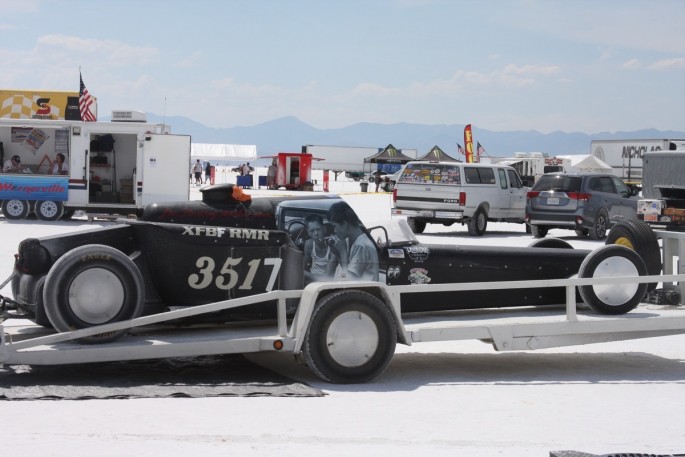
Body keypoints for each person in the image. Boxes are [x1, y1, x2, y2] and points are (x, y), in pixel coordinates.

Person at [327, 201, 379, 281]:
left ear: (344, 224)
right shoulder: (348, 241)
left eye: (335, 226)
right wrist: (337, 253)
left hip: (359, 292)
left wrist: (342, 252)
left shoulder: (361, 246)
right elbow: (344, 271)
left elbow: (348, 280)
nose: (335, 230)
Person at [303, 214, 338, 284]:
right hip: (311, 281)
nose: (316, 233)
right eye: (312, 231)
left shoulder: (332, 245)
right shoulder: (309, 244)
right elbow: (304, 266)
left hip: (327, 283)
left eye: (318, 229)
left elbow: (327, 278)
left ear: (324, 229)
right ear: (308, 233)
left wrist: (304, 273)